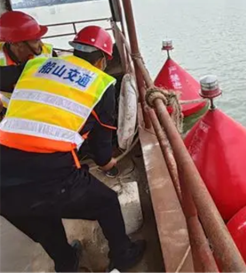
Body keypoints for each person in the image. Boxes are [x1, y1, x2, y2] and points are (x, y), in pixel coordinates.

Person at [0, 26, 145, 272]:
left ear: (74, 50)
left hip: (3, 179)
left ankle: (67, 263)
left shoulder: (36, 66)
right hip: (50, 176)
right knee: (107, 202)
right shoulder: (101, 84)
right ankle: (122, 256)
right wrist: (107, 163)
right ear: (102, 60)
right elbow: (101, 147)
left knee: (40, 217)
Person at [0, 11, 56, 109]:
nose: (41, 45)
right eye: (35, 41)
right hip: (12, 114)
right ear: (16, 44)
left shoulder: (48, 53)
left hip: (45, 110)